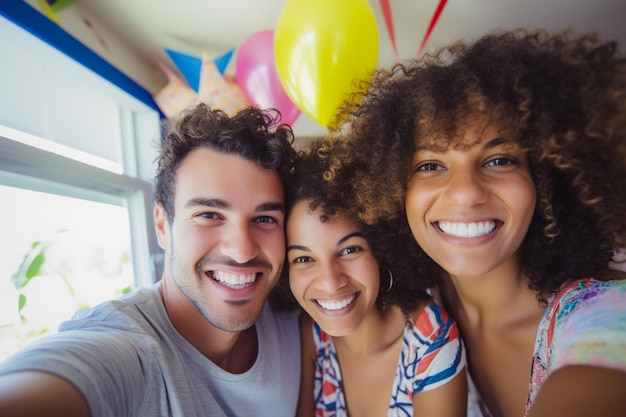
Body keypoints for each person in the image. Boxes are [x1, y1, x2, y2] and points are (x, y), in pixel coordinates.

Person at [319, 29, 626, 417]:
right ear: (393, 193)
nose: (465, 192)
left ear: (547, 178)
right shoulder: (416, 317)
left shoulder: (606, 311)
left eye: (499, 160)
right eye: (430, 166)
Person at [0, 103, 301, 417]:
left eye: (265, 219)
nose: (243, 250)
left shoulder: (295, 314)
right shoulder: (127, 349)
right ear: (162, 225)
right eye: (209, 215)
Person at [281, 139, 467, 416]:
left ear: (382, 249)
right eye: (304, 259)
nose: (330, 282)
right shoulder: (312, 334)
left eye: (350, 250)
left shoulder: (431, 340)